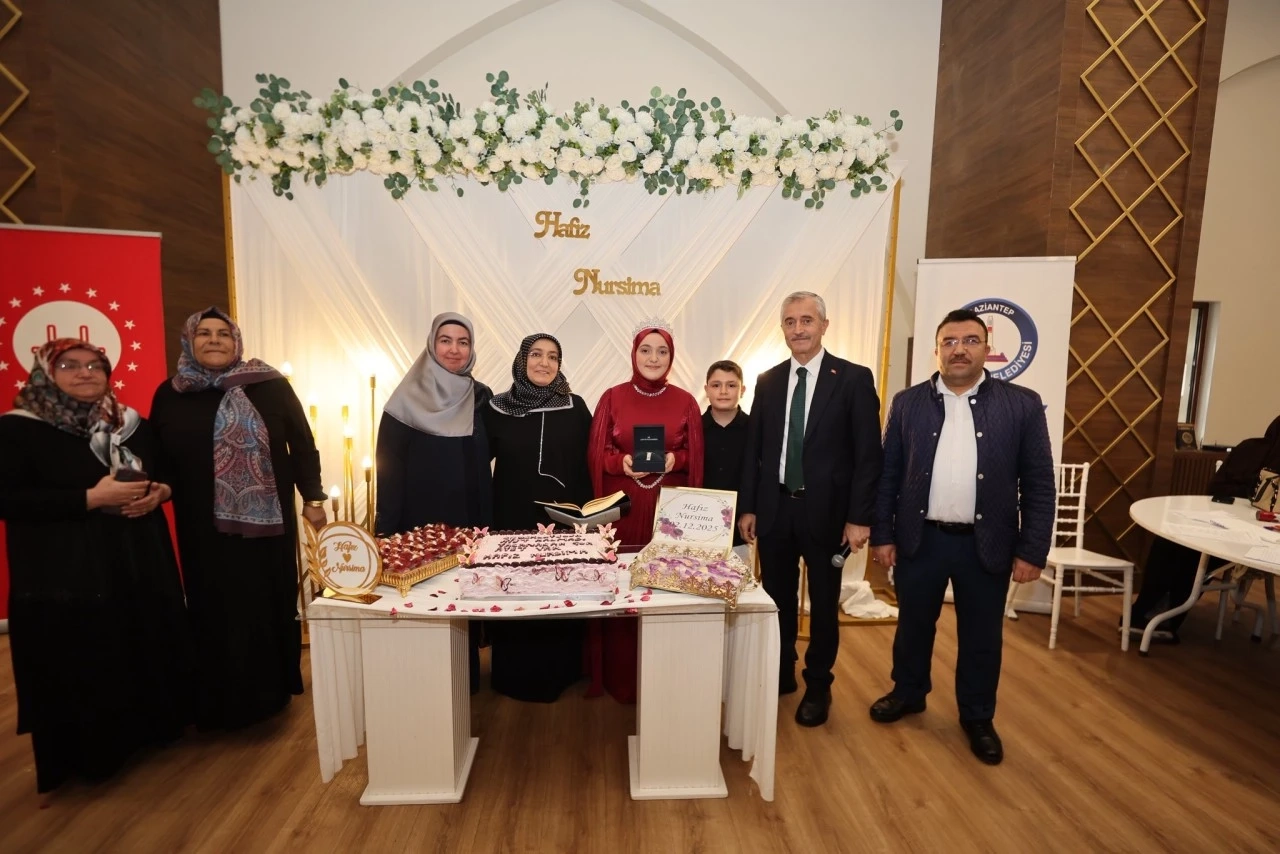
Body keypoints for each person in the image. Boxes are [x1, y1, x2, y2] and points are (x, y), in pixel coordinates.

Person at [0, 339, 190, 791]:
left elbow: (166, 471)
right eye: (69, 365)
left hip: (136, 558)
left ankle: (149, 734)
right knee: (84, 657)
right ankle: (93, 757)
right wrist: (89, 498)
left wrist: (161, 493)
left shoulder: (127, 423)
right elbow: (7, 499)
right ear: (46, 373)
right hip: (66, 569)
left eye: (94, 365)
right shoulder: (18, 429)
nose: (84, 373)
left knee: (136, 643)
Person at [868, 308, 1055, 765]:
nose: (959, 350)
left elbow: (1038, 483)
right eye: (949, 342)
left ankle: (977, 715)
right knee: (913, 626)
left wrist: (1032, 549)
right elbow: (888, 474)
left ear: (986, 348)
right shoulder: (908, 403)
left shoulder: (1022, 404)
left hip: (986, 544)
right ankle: (908, 691)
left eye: (970, 341)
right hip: (920, 539)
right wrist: (882, 534)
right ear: (937, 350)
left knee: (981, 636)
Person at [150, 308, 327, 730]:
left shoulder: (268, 385)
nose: (214, 340)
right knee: (212, 602)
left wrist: (313, 496)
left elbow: (302, 443)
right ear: (189, 341)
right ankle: (217, 694)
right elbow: (158, 455)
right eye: (204, 333)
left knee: (265, 600)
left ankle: (270, 692)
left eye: (223, 333)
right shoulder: (171, 393)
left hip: (266, 525)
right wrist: (159, 488)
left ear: (236, 341)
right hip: (201, 524)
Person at [739, 291, 883, 728]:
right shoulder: (767, 380)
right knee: (777, 599)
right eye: (790, 321)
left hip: (829, 515)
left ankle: (818, 683)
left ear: (824, 325)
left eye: (806, 320)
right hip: (776, 510)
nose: (798, 329)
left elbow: (868, 455)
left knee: (822, 604)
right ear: (782, 328)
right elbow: (755, 452)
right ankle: (782, 669)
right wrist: (750, 507)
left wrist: (859, 518)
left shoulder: (853, 379)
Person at [587, 322, 704, 702]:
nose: (654, 358)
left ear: (671, 357)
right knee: (623, 591)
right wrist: (619, 463)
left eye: (662, 351)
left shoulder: (686, 401)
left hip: (668, 515)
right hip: (622, 513)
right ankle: (621, 679)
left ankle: (665, 677)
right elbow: (595, 454)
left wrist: (675, 459)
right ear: (634, 353)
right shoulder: (612, 397)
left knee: (665, 590)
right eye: (646, 350)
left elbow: (696, 457)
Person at [376, 312, 491, 689]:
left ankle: (465, 682)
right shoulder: (404, 400)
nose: (454, 349)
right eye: (446, 340)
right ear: (432, 344)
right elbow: (389, 470)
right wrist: (386, 534)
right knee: (426, 610)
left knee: (463, 603)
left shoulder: (481, 397)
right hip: (419, 526)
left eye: (463, 342)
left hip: (469, 521)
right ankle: (426, 686)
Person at [483, 333, 593, 702]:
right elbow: (478, 465)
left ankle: (562, 673)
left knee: (556, 594)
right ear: (521, 360)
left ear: (560, 364)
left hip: (561, 522)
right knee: (517, 596)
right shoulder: (496, 408)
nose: (544, 363)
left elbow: (587, 464)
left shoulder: (575, 407)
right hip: (511, 519)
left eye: (553, 356)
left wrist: (588, 521)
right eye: (536, 355)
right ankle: (514, 676)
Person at [1129, 414, 1280, 641]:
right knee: (1181, 548)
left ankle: (1147, 610)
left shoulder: (1248, 448)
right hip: (1236, 534)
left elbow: (1214, 489)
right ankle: (1163, 614)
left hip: (1228, 528)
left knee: (1175, 546)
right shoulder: (1254, 452)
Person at [702, 360, 749, 547]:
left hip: (742, 524)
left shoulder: (756, 428)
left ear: (742, 390)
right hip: (698, 520)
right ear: (706, 390)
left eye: (731, 385)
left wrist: (750, 511)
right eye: (716, 385)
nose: (723, 391)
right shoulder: (692, 429)